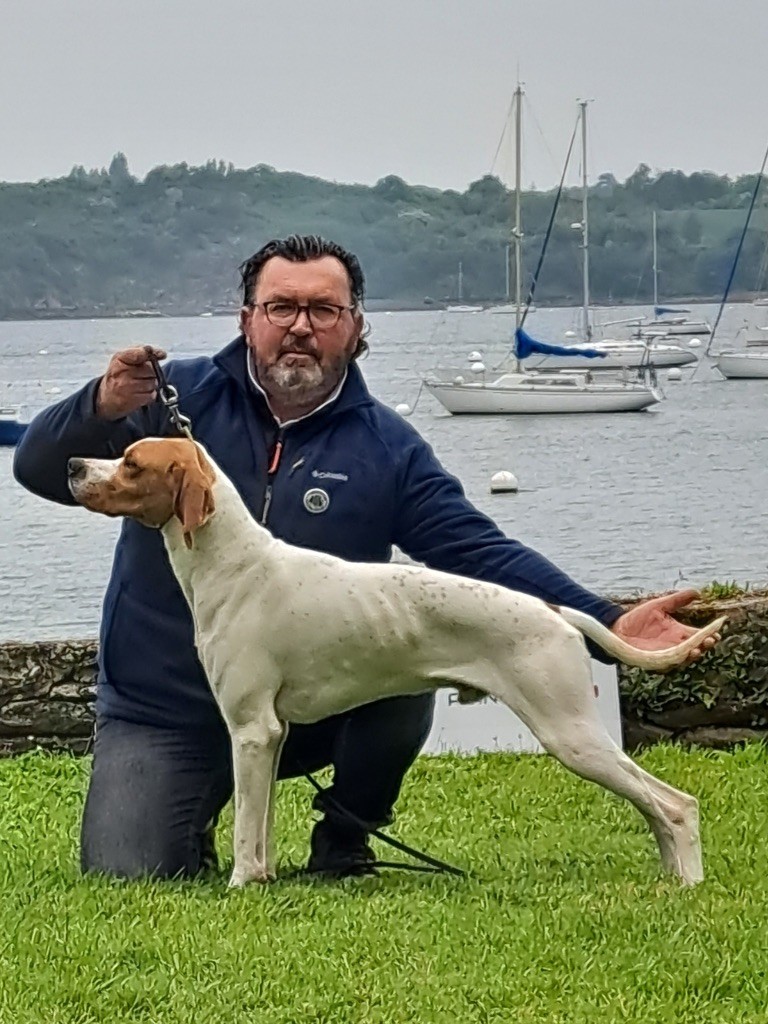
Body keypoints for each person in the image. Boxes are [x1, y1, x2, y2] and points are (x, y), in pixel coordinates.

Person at [13, 234, 716, 881]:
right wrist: (101, 404)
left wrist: (606, 619)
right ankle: (189, 822)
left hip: (322, 710)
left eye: (323, 308)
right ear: (246, 318)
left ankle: (343, 839)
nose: (300, 325)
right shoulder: (169, 404)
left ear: (356, 325)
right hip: (162, 710)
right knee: (128, 869)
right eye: (281, 305)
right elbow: (46, 470)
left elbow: (473, 548)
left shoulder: (386, 446)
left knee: (409, 652)